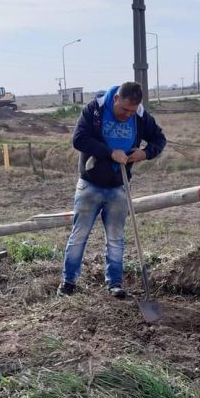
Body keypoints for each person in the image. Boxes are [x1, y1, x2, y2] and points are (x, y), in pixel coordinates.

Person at [58, 81, 166, 298]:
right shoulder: (94, 109)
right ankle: (68, 283)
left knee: (116, 238)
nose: (127, 115)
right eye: (124, 109)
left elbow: (159, 139)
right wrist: (109, 152)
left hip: (119, 186)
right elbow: (79, 139)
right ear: (116, 98)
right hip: (90, 185)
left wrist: (145, 153)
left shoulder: (140, 115)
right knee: (79, 235)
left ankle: (115, 284)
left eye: (132, 111)